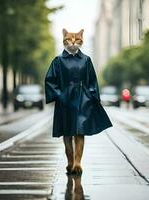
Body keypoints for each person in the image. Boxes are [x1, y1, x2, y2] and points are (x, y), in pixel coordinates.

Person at [45, 28, 112, 175]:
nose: (73, 42)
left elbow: (92, 80)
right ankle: (70, 161)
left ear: (81, 40)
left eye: (77, 40)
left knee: (80, 131)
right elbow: (50, 80)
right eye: (69, 39)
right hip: (64, 101)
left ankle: (78, 162)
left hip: (83, 100)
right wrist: (58, 95)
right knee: (66, 132)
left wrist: (93, 97)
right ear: (64, 39)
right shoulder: (58, 60)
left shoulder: (86, 60)